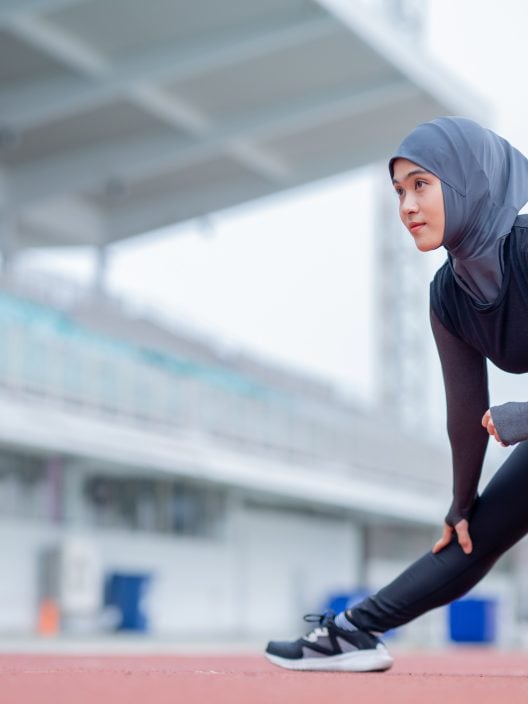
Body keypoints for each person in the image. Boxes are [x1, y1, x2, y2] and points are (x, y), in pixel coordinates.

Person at [265, 116, 528, 672]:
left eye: (422, 185)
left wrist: (524, 415)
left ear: (466, 184)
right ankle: (352, 633)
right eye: (399, 192)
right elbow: (464, 413)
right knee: (471, 538)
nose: (407, 206)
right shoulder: (448, 295)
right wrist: (461, 504)